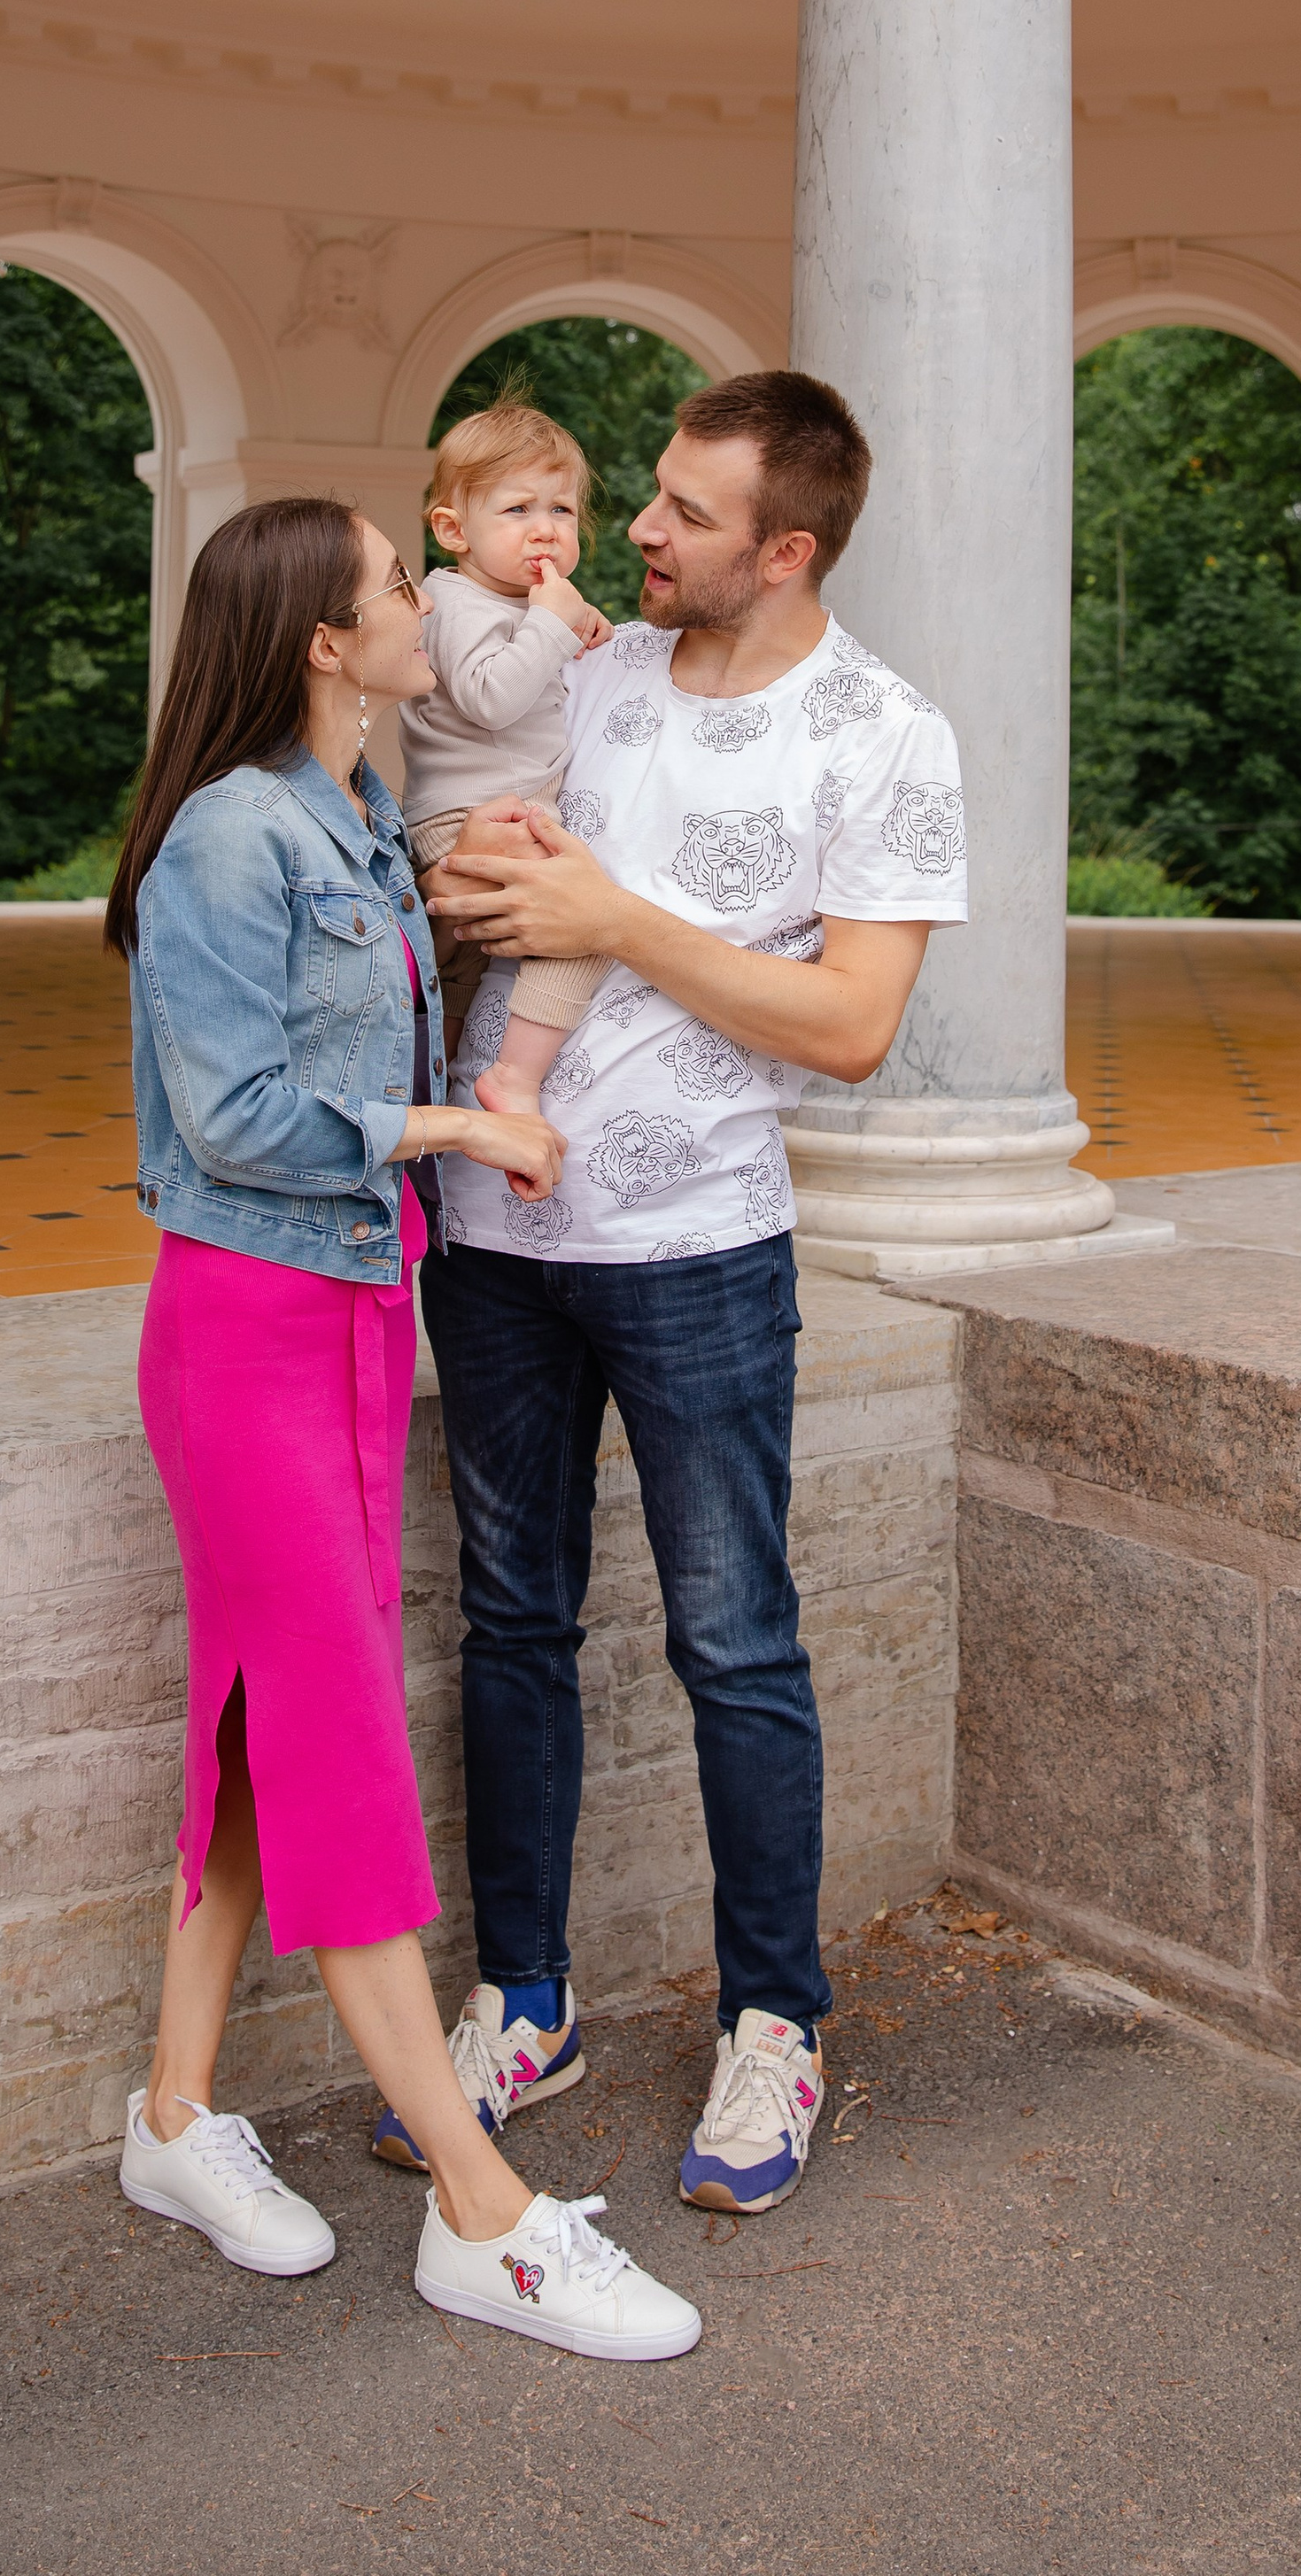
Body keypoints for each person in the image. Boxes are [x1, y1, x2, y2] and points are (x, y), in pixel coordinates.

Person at [103, 493, 700, 2361]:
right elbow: (234, 1116)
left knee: (270, 1728)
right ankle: (479, 2207)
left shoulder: (353, 811)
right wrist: (450, 1133)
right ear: (320, 640)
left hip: (352, 1322)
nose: (420, 603)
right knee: (344, 1740)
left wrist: (473, 884)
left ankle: (177, 2118)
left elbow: (362, 991)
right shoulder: (225, 834)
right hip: (247, 1328)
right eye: (390, 585)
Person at [407, 372, 970, 2215]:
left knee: (735, 1642)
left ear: (783, 549)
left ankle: (773, 2025)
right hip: (495, 1237)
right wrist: (458, 880)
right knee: (510, 1621)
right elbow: (466, 837)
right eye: (642, 495)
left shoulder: (883, 734)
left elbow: (856, 1027)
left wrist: (617, 925)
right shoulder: (590, 672)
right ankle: (524, 1999)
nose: (631, 531)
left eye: (680, 512)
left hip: (698, 1250)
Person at [399, 398, 615, 1122]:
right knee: (585, 929)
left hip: (480, 815)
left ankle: (434, 1088)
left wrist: (570, 626)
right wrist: (555, 625)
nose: (546, 528)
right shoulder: (453, 603)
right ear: (453, 529)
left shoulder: (512, 603)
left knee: (457, 974)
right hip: (472, 818)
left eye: (562, 509)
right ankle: (516, 1080)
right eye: (518, 508)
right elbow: (492, 696)